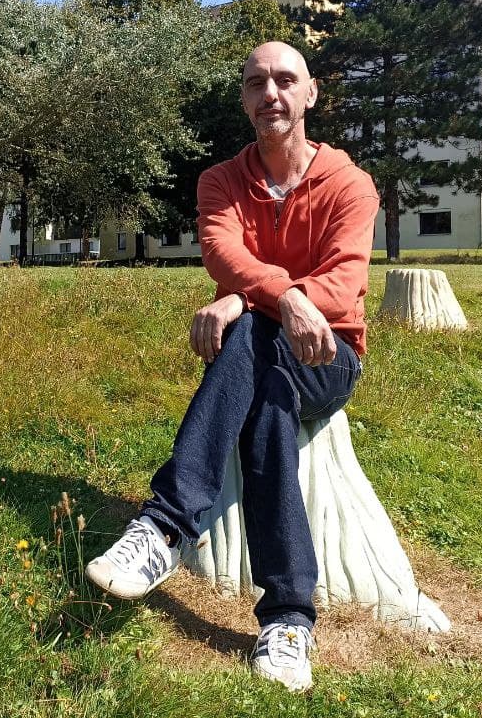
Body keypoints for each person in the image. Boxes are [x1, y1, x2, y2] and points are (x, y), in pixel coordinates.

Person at [85, 41, 379, 692]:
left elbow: (343, 286)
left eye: (285, 80)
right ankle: (289, 618)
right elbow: (223, 254)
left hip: (330, 355)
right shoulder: (220, 181)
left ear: (311, 93)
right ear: (244, 99)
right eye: (256, 82)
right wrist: (277, 299)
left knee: (248, 331)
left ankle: (164, 526)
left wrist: (247, 299)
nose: (271, 93)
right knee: (267, 399)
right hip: (266, 358)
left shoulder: (350, 185)